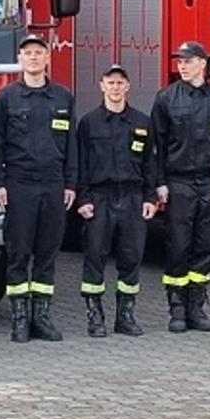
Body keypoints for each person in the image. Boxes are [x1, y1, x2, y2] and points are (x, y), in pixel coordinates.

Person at [0, 34, 77, 343]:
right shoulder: (6, 98)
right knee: (18, 251)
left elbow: (71, 146)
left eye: (39, 52)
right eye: (28, 53)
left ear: (48, 57)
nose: (34, 58)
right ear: (20, 59)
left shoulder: (63, 97)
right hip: (19, 183)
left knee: (47, 252)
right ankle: (19, 318)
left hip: (53, 183)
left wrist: (71, 183)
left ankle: (41, 316)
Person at [150, 41, 210, 333]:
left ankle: (196, 307)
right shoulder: (166, 99)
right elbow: (157, 146)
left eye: (188, 61)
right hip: (179, 181)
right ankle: (176, 308)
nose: (182, 66)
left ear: (203, 63)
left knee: (206, 245)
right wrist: (159, 183)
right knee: (178, 245)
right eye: (180, 61)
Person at [72, 64, 155, 337]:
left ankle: (126, 316)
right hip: (99, 197)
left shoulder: (142, 123)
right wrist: (82, 198)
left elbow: (150, 165)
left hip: (131, 197)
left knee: (131, 257)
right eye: (111, 82)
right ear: (102, 86)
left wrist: (150, 197)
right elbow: (80, 163)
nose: (116, 88)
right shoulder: (88, 123)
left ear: (127, 87)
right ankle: (95, 316)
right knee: (95, 256)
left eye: (121, 83)